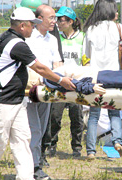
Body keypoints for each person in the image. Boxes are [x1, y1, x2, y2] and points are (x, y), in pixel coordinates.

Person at [0, 7, 75, 180]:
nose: (34, 27)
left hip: (16, 101)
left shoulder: (10, 38)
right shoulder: (17, 44)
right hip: (3, 102)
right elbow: (39, 68)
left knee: (23, 140)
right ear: (22, 25)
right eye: (32, 24)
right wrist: (61, 81)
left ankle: (26, 177)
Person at [83, 0, 122, 159]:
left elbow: (86, 55)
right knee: (114, 112)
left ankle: (90, 151)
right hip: (114, 75)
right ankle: (117, 141)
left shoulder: (90, 29)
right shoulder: (118, 28)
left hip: (96, 76)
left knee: (94, 115)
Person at [25, 4, 62, 180]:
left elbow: (58, 64)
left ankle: (36, 162)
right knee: (34, 129)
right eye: (52, 18)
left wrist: (61, 79)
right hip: (28, 91)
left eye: (55, 17)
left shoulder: (53, 39)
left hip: (47, 91)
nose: (55, 21)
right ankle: (33, 167)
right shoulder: (28, 38)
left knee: (41, 128)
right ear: (39, 19)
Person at [42, 6, 84, 159]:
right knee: (55, 116)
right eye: (56, 19)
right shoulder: (55, 37)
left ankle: (77, 148)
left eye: (61, 19)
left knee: (77, 117)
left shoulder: (82, 37)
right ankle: (51, 145)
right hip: (59, 82)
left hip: (76, 83)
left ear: (71, 21)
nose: (58, 22)